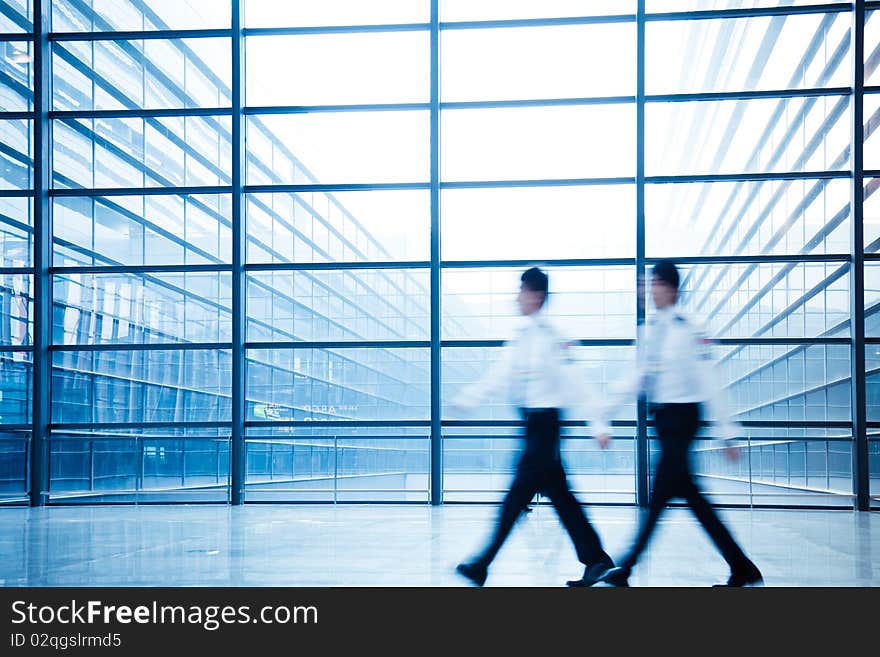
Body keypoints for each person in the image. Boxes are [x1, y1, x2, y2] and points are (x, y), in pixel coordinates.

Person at [593, 260, 762, 587]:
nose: (648, 289)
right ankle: (742, 568)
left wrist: (727, 432)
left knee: (660, 498)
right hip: (663, 421)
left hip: (685, 420)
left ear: (671, 287)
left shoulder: (692, 328)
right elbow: (634, 378)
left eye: (655, 282)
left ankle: (625, 568)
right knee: (690, 498)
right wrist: (603, 412)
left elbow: (711, 380)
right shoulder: (649, 331)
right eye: (648, 283)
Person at [452, 267, 613, 587]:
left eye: (522, 290)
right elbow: (498, 375)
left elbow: (577, 383)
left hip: (546, 426)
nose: (517, 297)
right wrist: (467, 400)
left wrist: (598, 423)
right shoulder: (521, 337)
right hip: (532, 426)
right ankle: (597, 560)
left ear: (537, 295)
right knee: (562, 498)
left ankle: (482, 564)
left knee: (516, 497)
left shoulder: (553, 338)